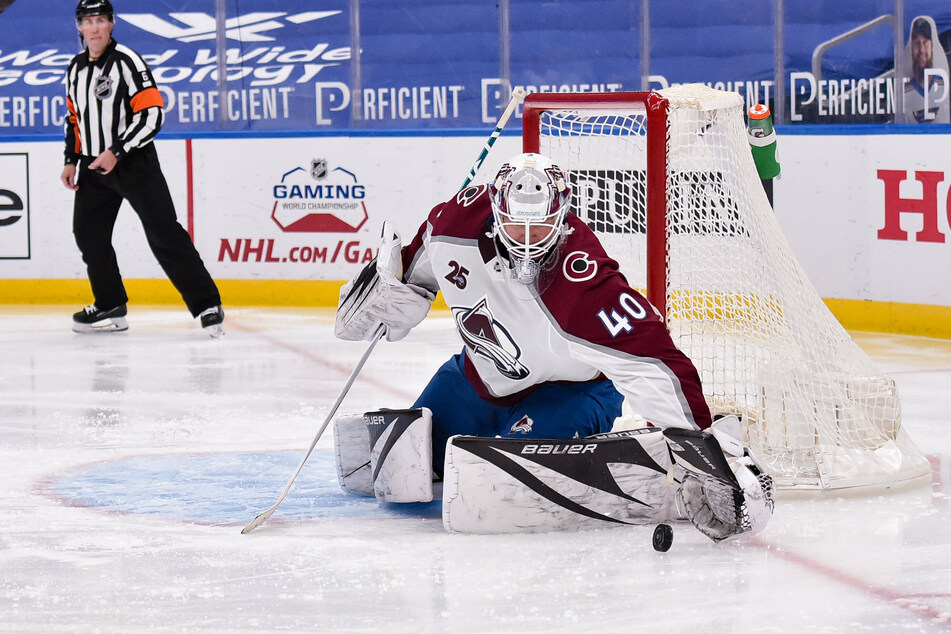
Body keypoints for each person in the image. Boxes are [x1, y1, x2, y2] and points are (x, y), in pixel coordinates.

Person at [337, 152, 712, 473]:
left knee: (526, 470)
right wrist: (389, 298)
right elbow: (413, 271)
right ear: (496, 210)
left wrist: (704, 457)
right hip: (479, 381)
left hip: (573, 391)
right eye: (517, 224)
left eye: (542, 224)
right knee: (405, 460)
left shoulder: (583, 277)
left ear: (563, 214)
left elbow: (653, 361)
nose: (528, 238)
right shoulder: (453, 227)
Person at [60, 0, 224, 336]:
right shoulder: (75, 68)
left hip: (134, 164)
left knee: (163, 232)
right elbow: (75, 119)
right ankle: (110, 304)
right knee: (89, 235)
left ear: (112, 24)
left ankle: (207, 304)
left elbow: (152, 115)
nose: (94, 28)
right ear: (79, 27)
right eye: (88, 21)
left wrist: (117, 150)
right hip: (93, 168)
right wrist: (70, 159)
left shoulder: (128, 62)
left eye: (101, 20)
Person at [901, 16, 950, 124]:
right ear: (912, 47)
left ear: (932, 46)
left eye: (925, 42)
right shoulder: (904, 93)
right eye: (917, 43)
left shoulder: (944, 88)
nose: (922, 50)